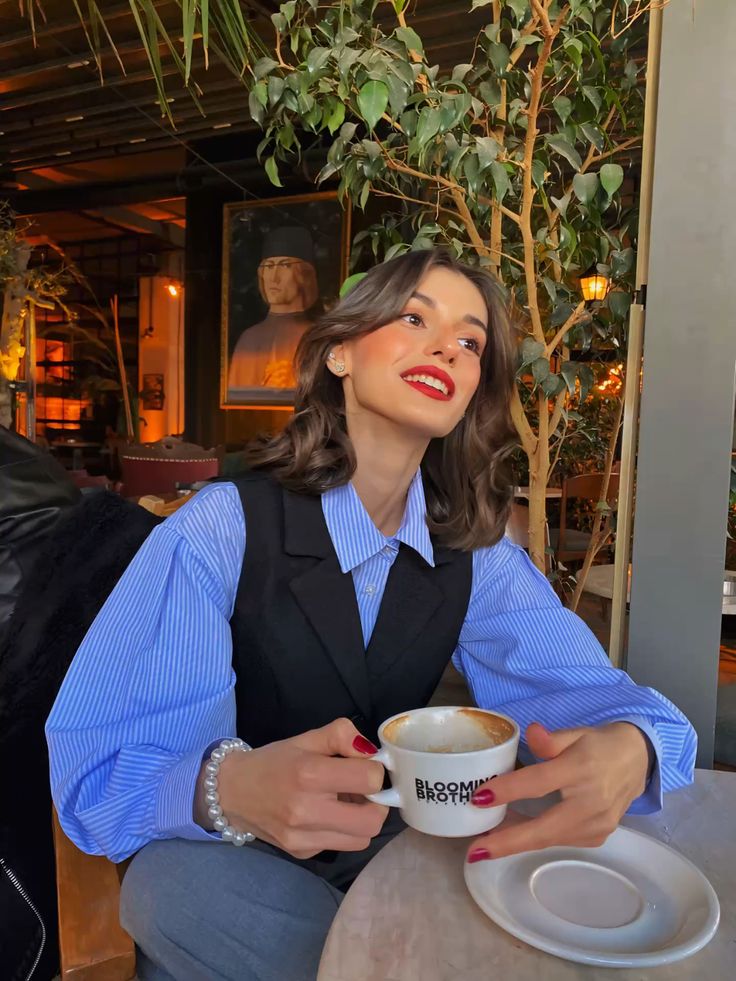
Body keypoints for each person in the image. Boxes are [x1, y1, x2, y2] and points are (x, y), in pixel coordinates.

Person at [47, 250, 696, 981]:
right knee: (169, 887)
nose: (449, 346)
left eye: (472, 341)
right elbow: (93, 773)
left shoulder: (474, 553)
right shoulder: (220, 529)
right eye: (415, 317)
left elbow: (603, 697)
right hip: (237, 874)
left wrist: (633, 746)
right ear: (340, 352)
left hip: (389, 856)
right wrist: (230, 788)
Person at [227, 226, 320, 392]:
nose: (274, 278)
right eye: (268, 267)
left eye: (285, 266)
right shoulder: (248, 339)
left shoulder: (315, 338)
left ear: (303, 275)